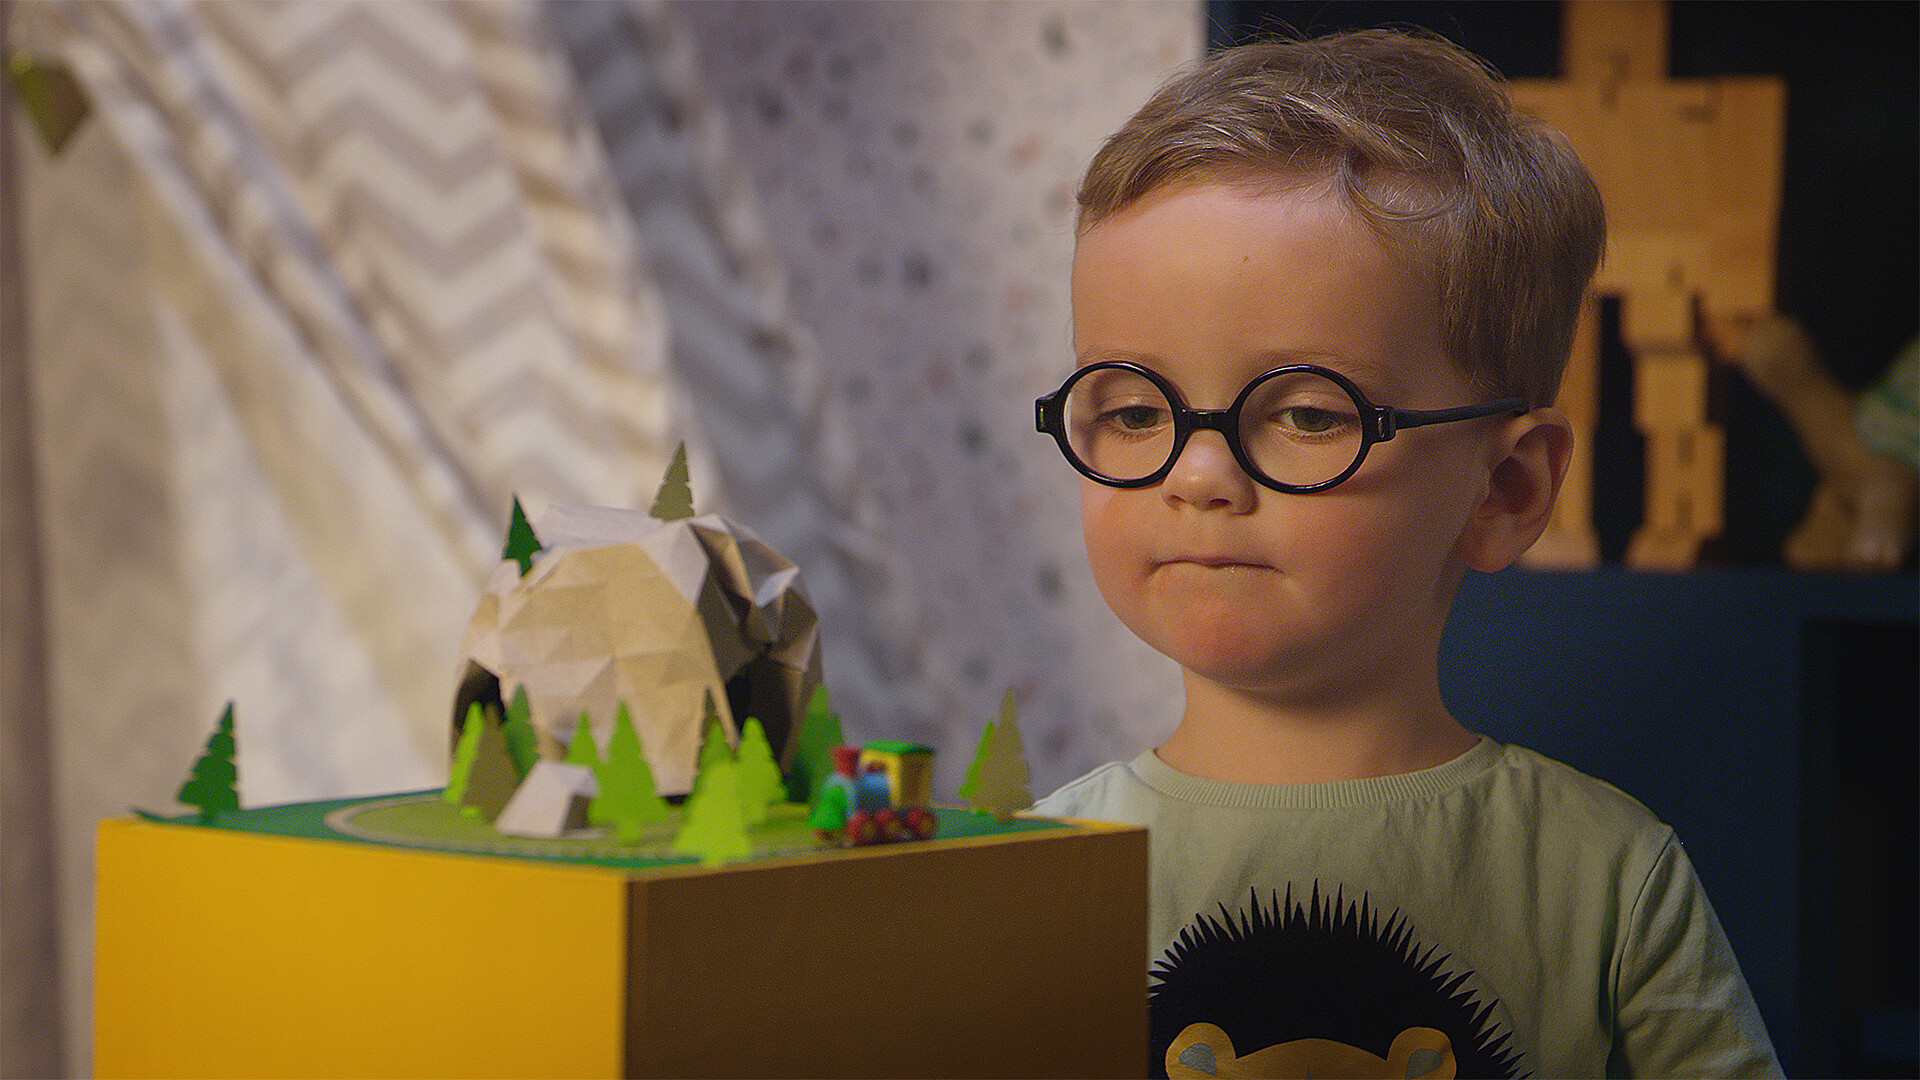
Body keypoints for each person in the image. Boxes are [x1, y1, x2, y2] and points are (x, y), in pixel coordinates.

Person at [1030, 30, 1782, 1078]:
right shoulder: (1025, 876)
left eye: (1305, 413)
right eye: (1133, 411)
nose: (1197, 475)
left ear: (1506, 490)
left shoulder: (1605, 870)